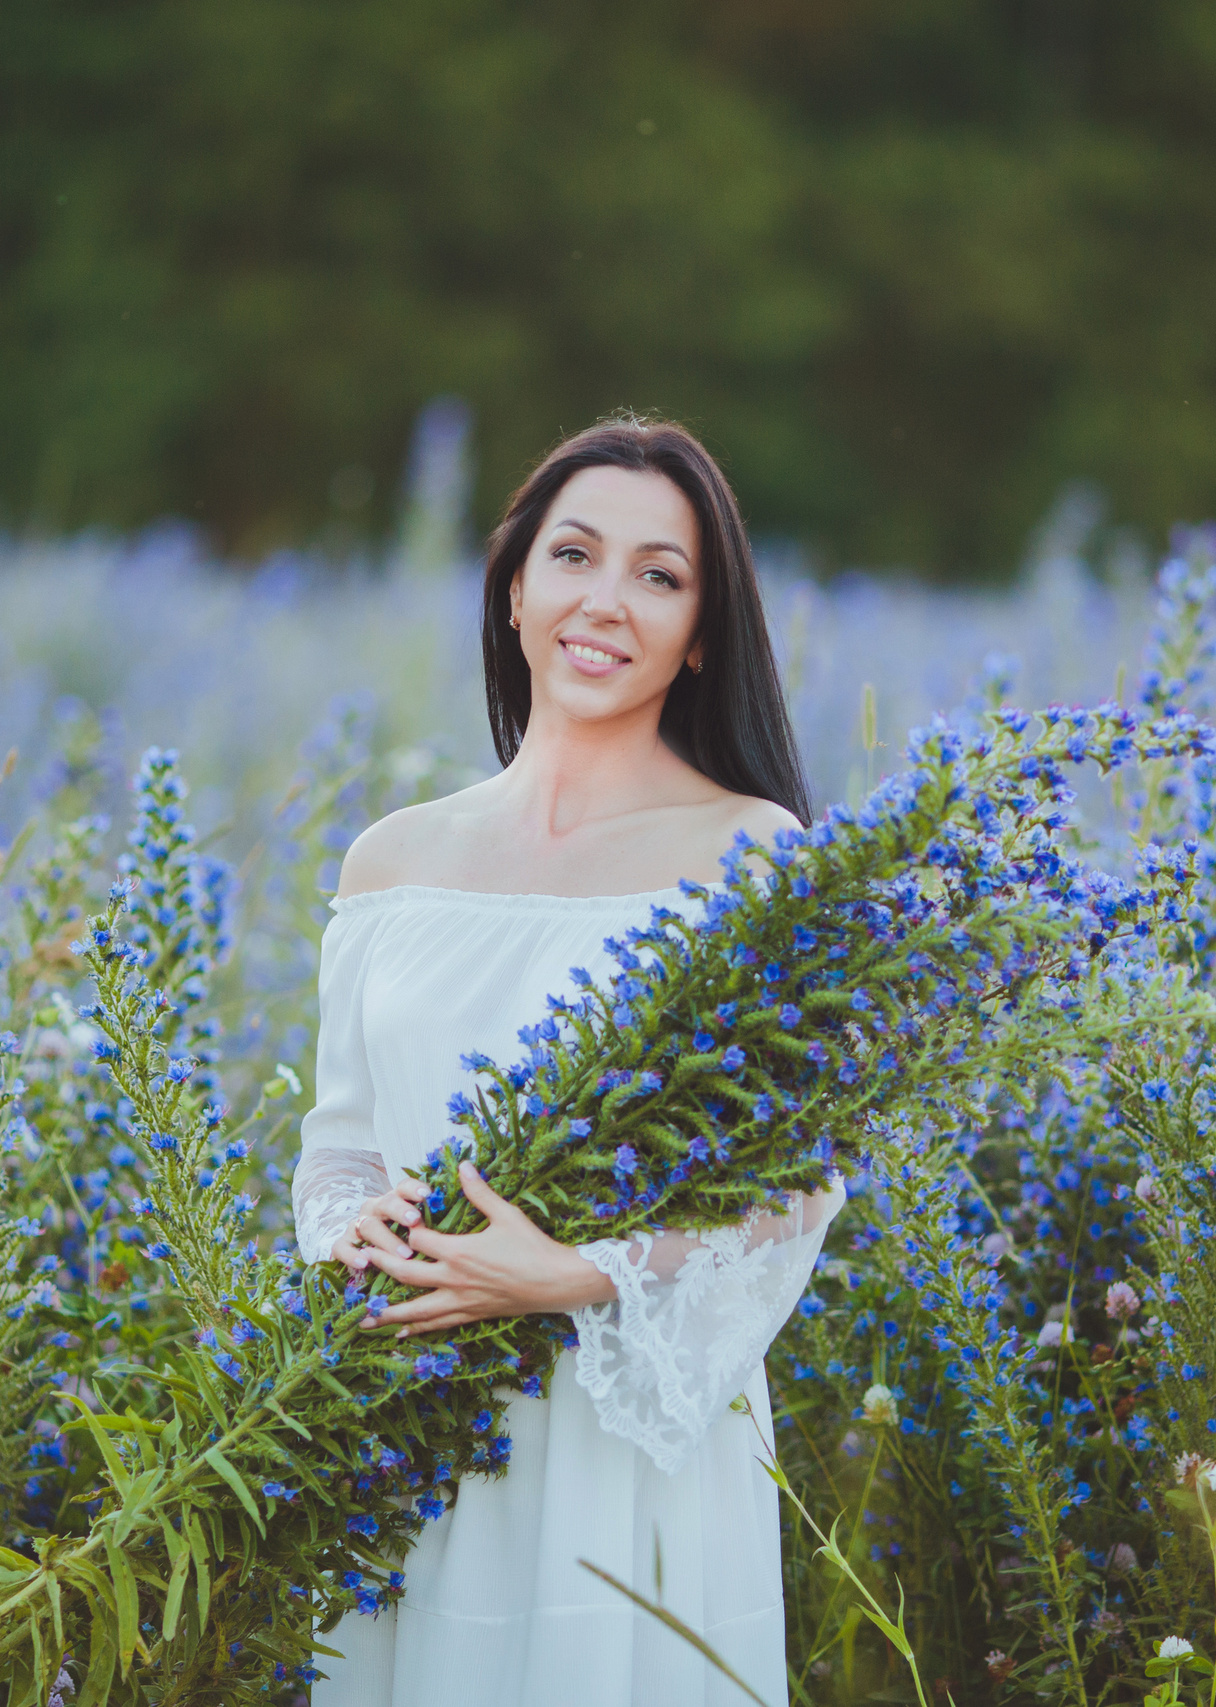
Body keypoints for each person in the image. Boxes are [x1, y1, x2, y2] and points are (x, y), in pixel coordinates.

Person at [292, 415, 846, 1706]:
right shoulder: (391, 859)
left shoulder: (751, 853)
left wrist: (579, 1274)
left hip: (618, 1429)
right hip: (412, 1414)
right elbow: (340, 1143)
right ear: (514, 590)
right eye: (575, 555)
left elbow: (803, 1177)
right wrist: (350, 1235)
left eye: (660, 575)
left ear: (701, 632)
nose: (607, 601)